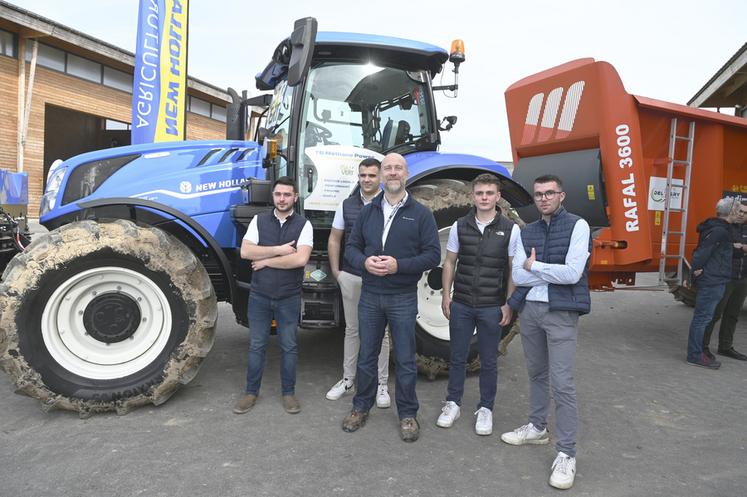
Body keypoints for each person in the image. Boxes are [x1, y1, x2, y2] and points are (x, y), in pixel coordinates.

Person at [340, 152, 440, 442]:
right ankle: (360, 407)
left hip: (402, 297)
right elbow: (351, 248)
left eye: (398, 168)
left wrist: (399, 266)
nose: (393, 173)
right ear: (382, 175)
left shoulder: (421, 214)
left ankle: (408, 414)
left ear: (406, 173)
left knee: (406, 359)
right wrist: (364, 263)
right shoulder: (368, 211)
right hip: (371, 295)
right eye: (388, 168)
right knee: (367, 356)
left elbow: (432, 254)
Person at [501, 174, 590, 490]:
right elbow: (517, 276)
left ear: (561, 196)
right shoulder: (529, 231)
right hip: (531, 313)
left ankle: (567, 453)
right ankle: (537, 426)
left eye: (550, 193)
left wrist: (535, 268)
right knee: (537, 374)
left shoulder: (578, 226)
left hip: (561, 312)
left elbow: (572, 274)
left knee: (562, 382)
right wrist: (538, 272)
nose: (543, 198)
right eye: (539, 194)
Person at [436, 173, 520, 436]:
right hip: (461, 303)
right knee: (457, 357)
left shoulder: (510, 229)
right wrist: (446, 295)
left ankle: (485, 409)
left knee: (488, 360)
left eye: (489, 193)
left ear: (498, 197)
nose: (484, 198)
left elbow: (512, 267)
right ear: (473, 196)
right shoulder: (460, 225)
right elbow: (449, 261)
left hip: (491, 306)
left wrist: (508, 304)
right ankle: (453, 403)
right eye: (480, 193)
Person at [233, 176, 313, 415]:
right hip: (260, 296)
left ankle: (288, 393)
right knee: (257, 345)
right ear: (273, 196)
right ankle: (250, 392)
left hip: (288, 297)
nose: (282, 199)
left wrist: (265, 261)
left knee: (289, 346)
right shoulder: (259, 220)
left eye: (287, 195)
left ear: (295, 197)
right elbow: (247, 252)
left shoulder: (303, 225)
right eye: (278, 194)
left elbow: (300, 259)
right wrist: (279, 251)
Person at [326, 158, 392, 407]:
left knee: (381, 333)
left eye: (372, 175)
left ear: (380, 178)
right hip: (352, 276)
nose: (367, 180)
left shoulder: (390, 204)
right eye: (363, 175)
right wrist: (337, 272)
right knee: (352, 330)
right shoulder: (346, 206)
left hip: (380, 280)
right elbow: (334, 239)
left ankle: (381, 384)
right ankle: (347, 379)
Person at [686, 197, 741, 369]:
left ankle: (697, 353)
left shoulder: (721, 229)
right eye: (738, 210)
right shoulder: (719, 231)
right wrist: (693, 275)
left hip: (715, 278)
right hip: (713, 280)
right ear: (731, 211)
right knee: (702, 319)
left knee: (703, 318)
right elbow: (702, 253)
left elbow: (717, 252)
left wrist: (735, 249)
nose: (740, 213)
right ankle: (695, 355)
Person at [702, 201, 747, 362]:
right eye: (740, 211)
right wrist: (741, 248)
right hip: (726, 277)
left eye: (745, 213)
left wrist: (739, 247)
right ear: (735, 211)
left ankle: (725, 347)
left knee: (732, 315)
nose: (742, 214)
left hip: (743, 278)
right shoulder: (726, 228)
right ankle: (702, 347)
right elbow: (723, 249)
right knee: (714, 314)